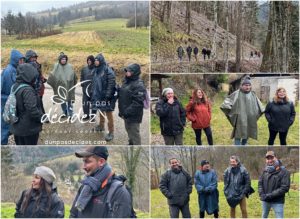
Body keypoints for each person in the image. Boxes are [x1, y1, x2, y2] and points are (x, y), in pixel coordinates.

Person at [70, 146, 133, 218]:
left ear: (101, 162)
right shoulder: (85, 187)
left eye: (87, 161)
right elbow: (73, 214)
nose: (83, 167)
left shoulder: (119, 192)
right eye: (84, 161)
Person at [220, 76, 264, 145]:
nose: (248, 87)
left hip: (250, 117)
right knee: (238, 133)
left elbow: (260, 106)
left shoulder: (253, 94)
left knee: (248, 131)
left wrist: (257, 113)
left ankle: (244, 143)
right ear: (242, 86)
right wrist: (232, 112)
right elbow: (227, 102)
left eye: (249, 85)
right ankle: (237, 145)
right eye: (246, 85)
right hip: (240, 118)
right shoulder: (237, 93)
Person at [10, 64, 43, 145]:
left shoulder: (15, 86)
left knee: (20, 150)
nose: (35, 78)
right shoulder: (27, 90)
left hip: (17, 126)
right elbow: (32, 109)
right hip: (28, 129)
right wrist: (41, 118)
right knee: (29, 152)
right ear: (28, 75)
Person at [118, 63, 146, 145]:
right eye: (126, 70)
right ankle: (131, 143)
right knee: (128, 130)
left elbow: (138, 103)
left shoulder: (139, 85)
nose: (127, 72)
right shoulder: (126, 81)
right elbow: (124, 94)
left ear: (135, 72)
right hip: (125, 113)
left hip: (133, 115)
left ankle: (137, 149)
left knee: (134, 133)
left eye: (129, 71)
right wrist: (118, 90)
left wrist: (127, 112)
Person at [91, 53, 116, 142]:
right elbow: (94, 83)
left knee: (109, 115)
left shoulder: (108, 70)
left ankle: (111, 132)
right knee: (101, 111)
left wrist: (108, 96)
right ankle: (101, 126)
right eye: (95, 60)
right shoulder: (96, 70)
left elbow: (111, 84)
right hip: (99, 96)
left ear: (101, 61)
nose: (96, 62)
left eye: (97, 60)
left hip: (106, 97)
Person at [1, 49, 25, 145]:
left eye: (22, 60)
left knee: (8, 123)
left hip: (9, 100)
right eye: (20, 60)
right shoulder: (9, 71)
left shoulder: (15, 69)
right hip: (6, 101)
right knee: (5, 125)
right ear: (15, 60)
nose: (22, 62)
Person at [258, 151, 290, 218]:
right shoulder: (264, 170)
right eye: (268, 158)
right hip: (265, 200)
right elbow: (260, 183)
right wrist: (261, 193)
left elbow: (284, 187)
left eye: (272, 158)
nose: (270, 160)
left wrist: (270, 195)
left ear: (276, 158)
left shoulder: (284, 171)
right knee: (264, 216)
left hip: (277, 201)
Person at [47, 52, 77, 117]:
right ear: (60, 60)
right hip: (60, 87)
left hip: (69, 86)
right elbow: (53, 75)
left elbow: (74, 76)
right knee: (62, 100)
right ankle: (64, 112)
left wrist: (73, 83)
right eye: (62, 59)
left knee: (69, 100)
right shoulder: (56, 66)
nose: (64, 60)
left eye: (65, 59)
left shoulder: (70, 66)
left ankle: (71, 113)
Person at [25, 50, 47, 119]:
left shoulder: (37, 65)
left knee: (39, 103)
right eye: (32, 57)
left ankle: (43, 117)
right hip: (31, 89)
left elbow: (39, 75)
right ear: (28, 58)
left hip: (39, 88)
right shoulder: (25, 67)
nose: (34, 59)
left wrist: (42, 79)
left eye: (35, 57)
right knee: (34, 104)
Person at [80, 55, 95, 120]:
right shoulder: (84, 69)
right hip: (85, 89)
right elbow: (82, 77)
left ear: (93, 61)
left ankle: (92, 116)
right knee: (85, 103)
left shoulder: (96, 69)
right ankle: (86, 115)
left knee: (94, 104)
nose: (89, 61)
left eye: (90, 60)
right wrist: (82, 83)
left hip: (94, 89)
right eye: (88, 60)